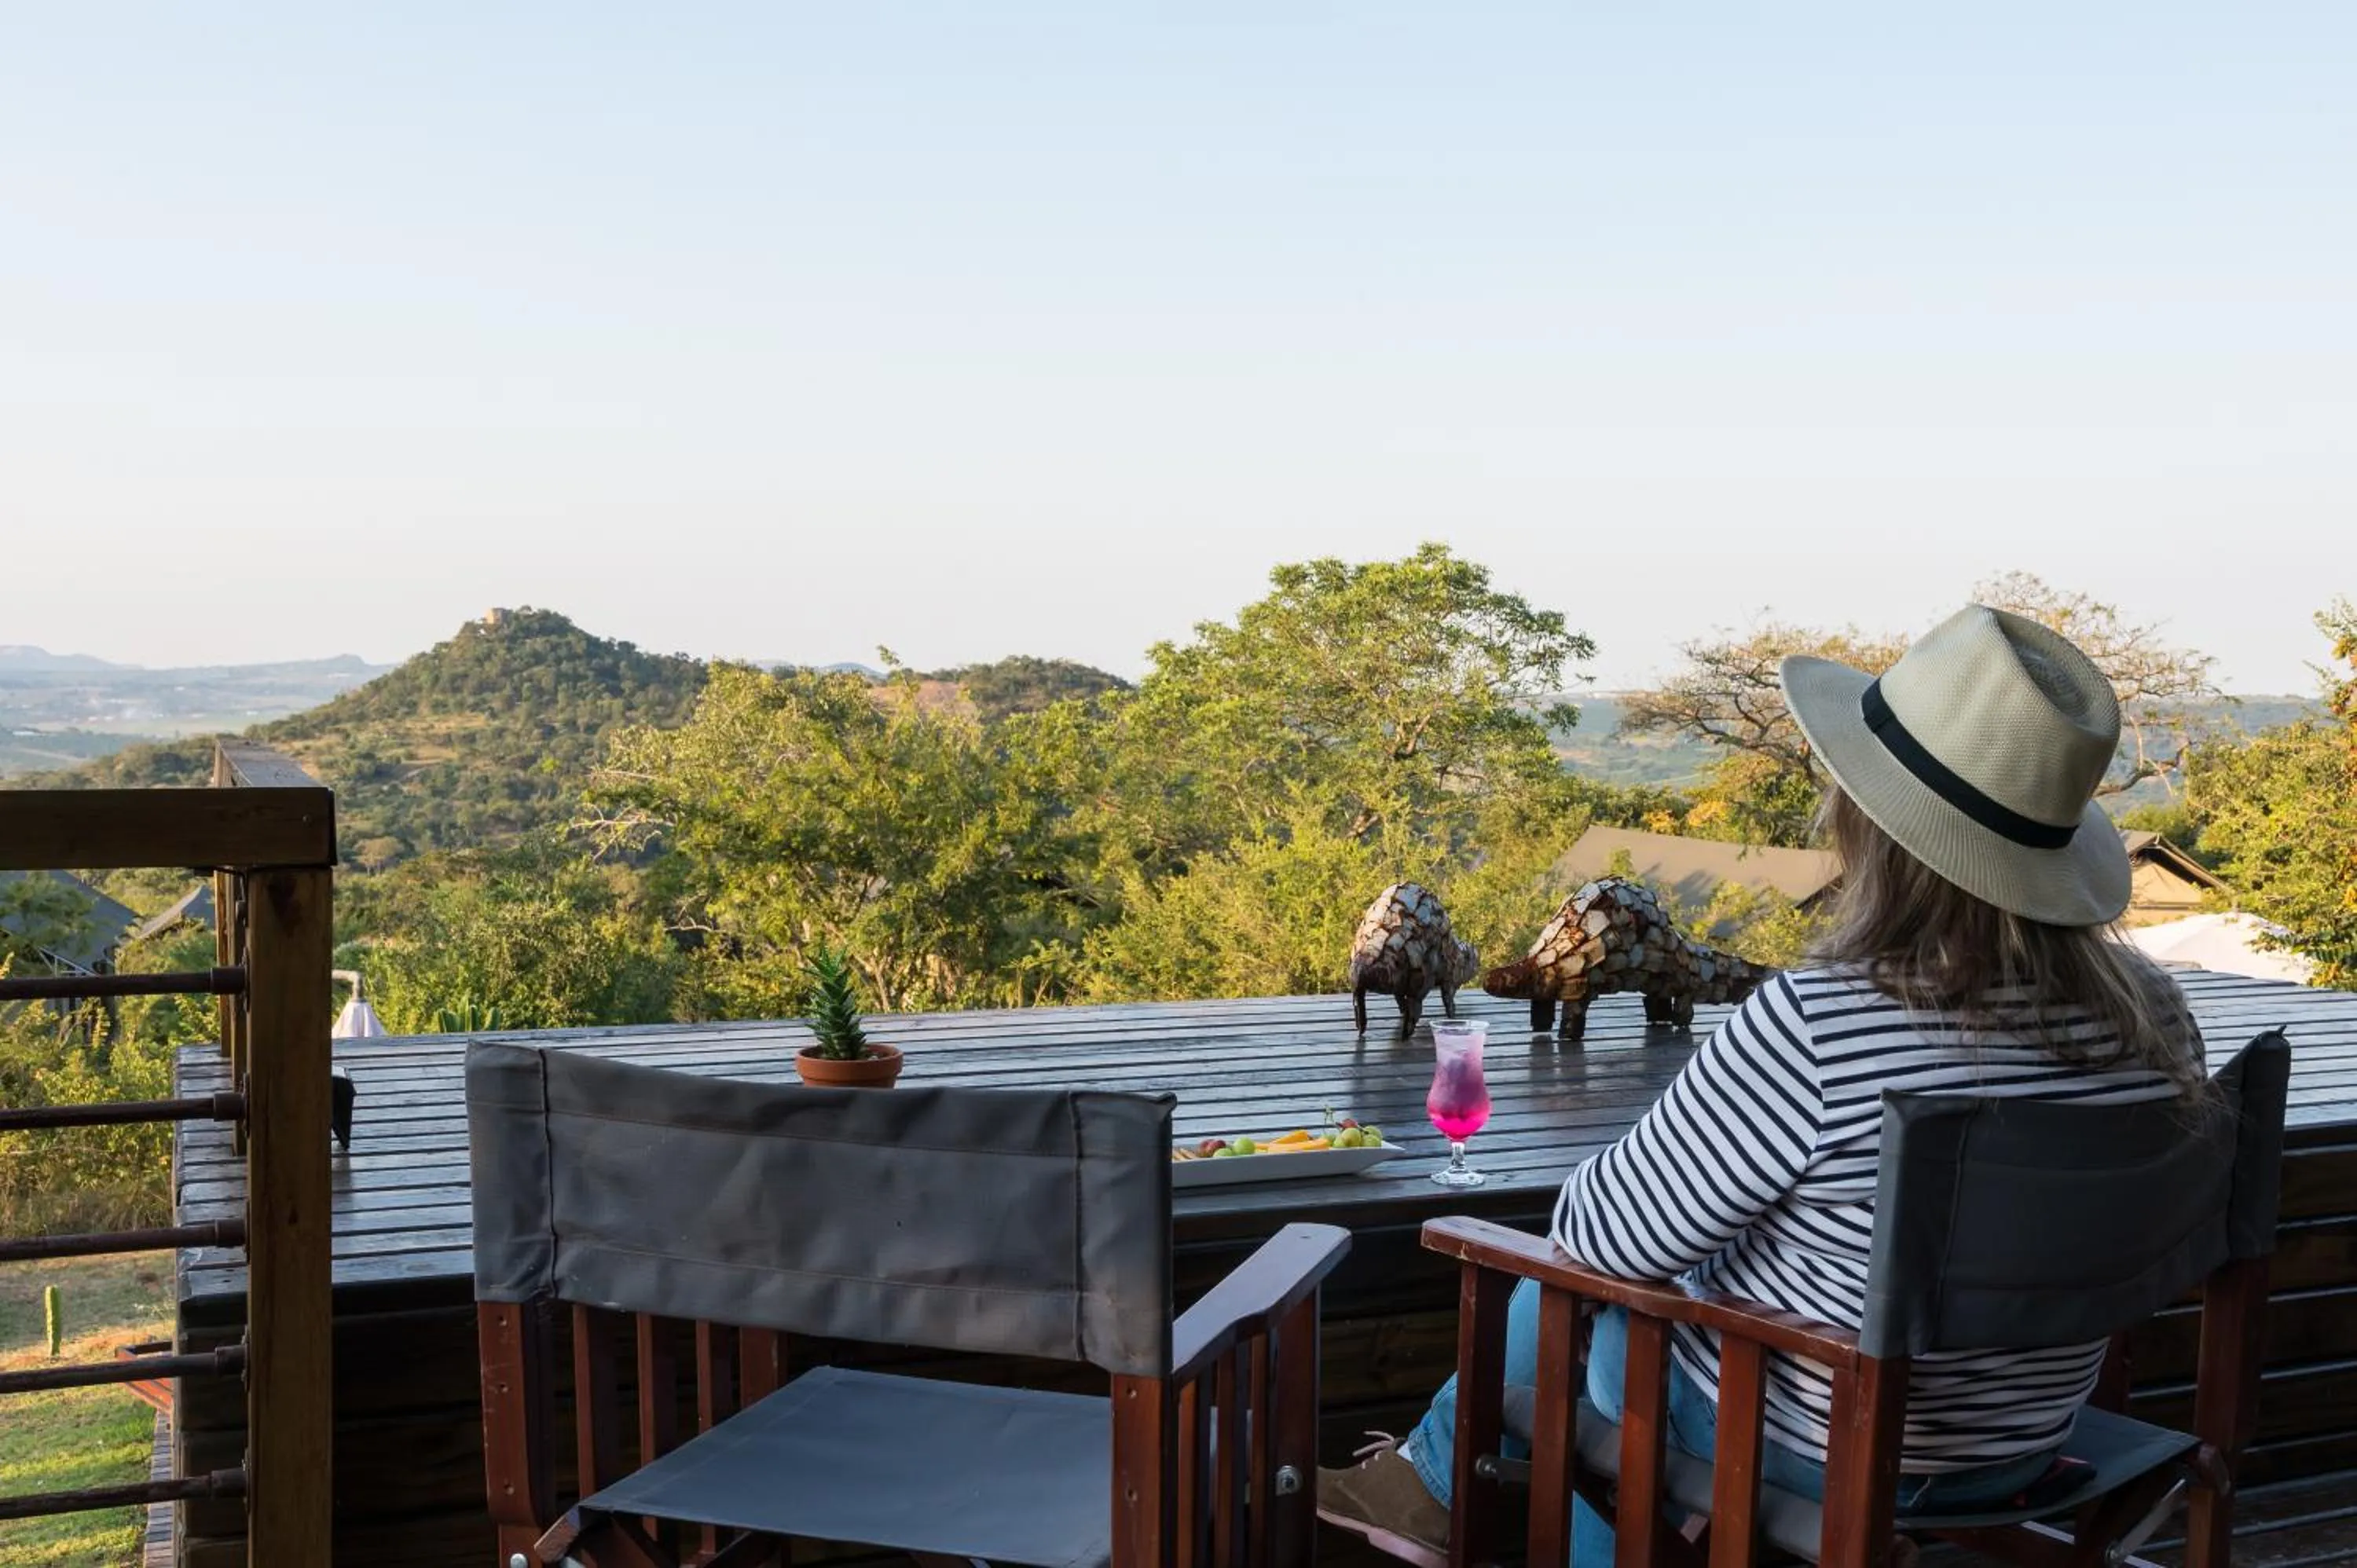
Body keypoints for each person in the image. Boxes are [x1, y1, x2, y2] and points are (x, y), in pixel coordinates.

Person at [1316, 604, 2210, 1567]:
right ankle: (1427, 1488)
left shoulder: (1826, 1019)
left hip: (1822, 1441)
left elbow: (1598, 1238)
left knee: (1564, 1304)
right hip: (2027, 1442)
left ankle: (1433, 1490)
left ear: (1870, 823)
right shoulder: (2154, 1017)